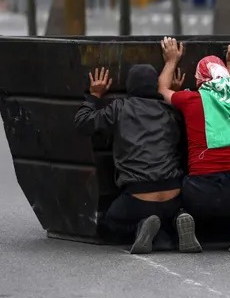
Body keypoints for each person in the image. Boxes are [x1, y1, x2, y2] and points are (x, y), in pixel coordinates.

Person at [73, 65, 201, 254]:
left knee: (109, 225)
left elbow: (83, 123)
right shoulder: (170, 111)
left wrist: (94, 95)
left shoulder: (120, 108)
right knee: (163, 215)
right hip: (174, 194)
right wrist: (173, 93)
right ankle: (174, 223)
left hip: (138, 197)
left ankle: (141, 227)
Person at [157, 38, 230, 252]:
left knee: (180, 194)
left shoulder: (190, 100)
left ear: (200, 78)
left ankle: (185, 218)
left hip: (200, 192)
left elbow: (162, 89)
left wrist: (171, 60)